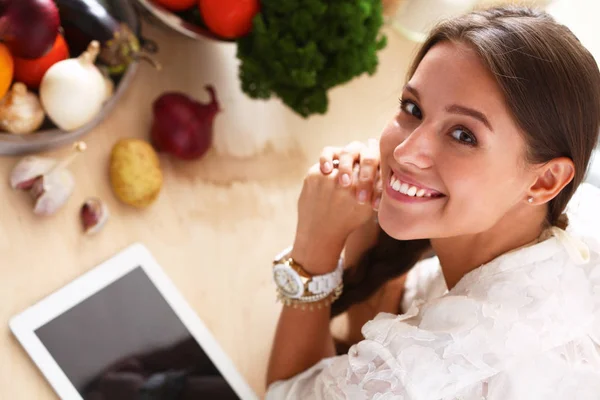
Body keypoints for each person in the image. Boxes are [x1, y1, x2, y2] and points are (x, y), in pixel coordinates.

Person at [266, 5, 600, 399]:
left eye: (463, 135)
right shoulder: (578, 221)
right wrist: (368, 222)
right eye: (413, 108)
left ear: (545, 179)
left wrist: (314, 251)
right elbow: (380, 329)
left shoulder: (424, 379)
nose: (406, 152)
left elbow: (285, 393)